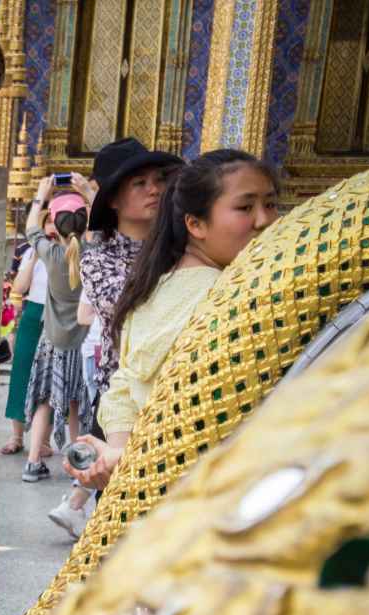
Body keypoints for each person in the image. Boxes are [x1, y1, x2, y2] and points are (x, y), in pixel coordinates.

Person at [68, 150, 280, 490]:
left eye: (271, 204)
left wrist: (122, 455)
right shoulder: (230, 294)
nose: (266, 220)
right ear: (194, 224)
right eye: (245, 207)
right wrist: (122, 456)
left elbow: (126, 384)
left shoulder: (155, 281)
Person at [46, 138, 180, 539]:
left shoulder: (187, 248)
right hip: (123, 402)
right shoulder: (99, 258)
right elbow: (130, 313)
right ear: (115, 200)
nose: (154, 189)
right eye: (139, 183)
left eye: (159, 180)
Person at [21, 179, 93, 483]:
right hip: (82, 342)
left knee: (45, 403)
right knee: (76, 403)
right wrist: (90, 195)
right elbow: (108, 230)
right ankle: (78, 468)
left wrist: (40, 196)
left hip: (52, 342)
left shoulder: (51, 255)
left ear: (56, 225)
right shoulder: (92, 252)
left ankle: (33, 462)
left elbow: (30, 231)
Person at [1, 239, 45, 456]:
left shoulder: (73, 247)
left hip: (61, 315)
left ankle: (44, 439)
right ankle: (16, 436)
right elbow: (19, 287)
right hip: (33, 312)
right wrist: (36, 255)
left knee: (51, 375)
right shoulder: (31, 251)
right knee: (21, 372)